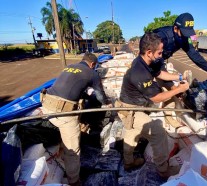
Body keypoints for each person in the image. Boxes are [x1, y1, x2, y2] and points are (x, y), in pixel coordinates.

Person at [116, 32, 189, 179]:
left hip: (134, 106)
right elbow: (156, 98)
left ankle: (128, 162)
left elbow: (159, 74)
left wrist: (179, 77)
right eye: (160, 52)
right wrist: (179, 89)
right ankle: (163, 170)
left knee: (132, 132)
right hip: (129, 110)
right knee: (158, 132)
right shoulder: (139, 71)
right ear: (149, 52)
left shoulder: (146, 62)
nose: (162, 55)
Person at [40, 52, 110, 186]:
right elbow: (101, 96)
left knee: (80, 107)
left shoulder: (70, 66)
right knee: (73, 150)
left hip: (46, 106)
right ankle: (74, 181)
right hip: (62, 113)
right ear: (93, 64)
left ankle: (81, 127)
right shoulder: (92, 73)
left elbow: (74, 87)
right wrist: (108, 103)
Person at [153, 12, 207, 81]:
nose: (185, 37)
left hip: (160, 60)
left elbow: (195, 55)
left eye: (187, 34)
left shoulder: (185, 39)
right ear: (175, 29)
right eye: (183, 33)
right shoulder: (162, 36)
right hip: (149, 61)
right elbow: (149, 54)